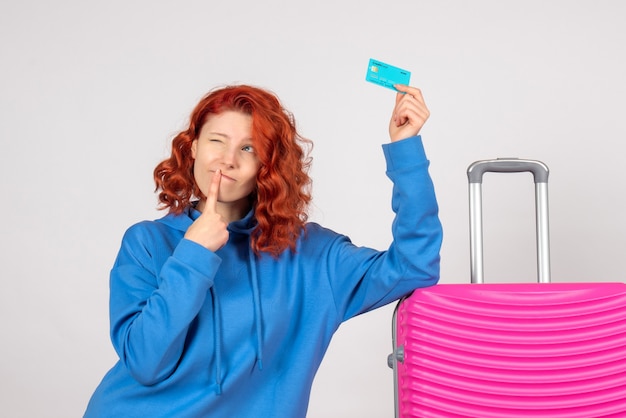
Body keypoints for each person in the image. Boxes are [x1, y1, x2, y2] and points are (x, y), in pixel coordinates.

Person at [83, 83, 442, 417]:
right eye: (216, 141)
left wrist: (405, 149)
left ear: (267, 164)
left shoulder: (313, 256)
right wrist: (193, 254)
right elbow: (146, 362)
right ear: (193, 147)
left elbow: (415, 265)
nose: (227, 160)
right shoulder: (147, 243)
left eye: (248, 148)